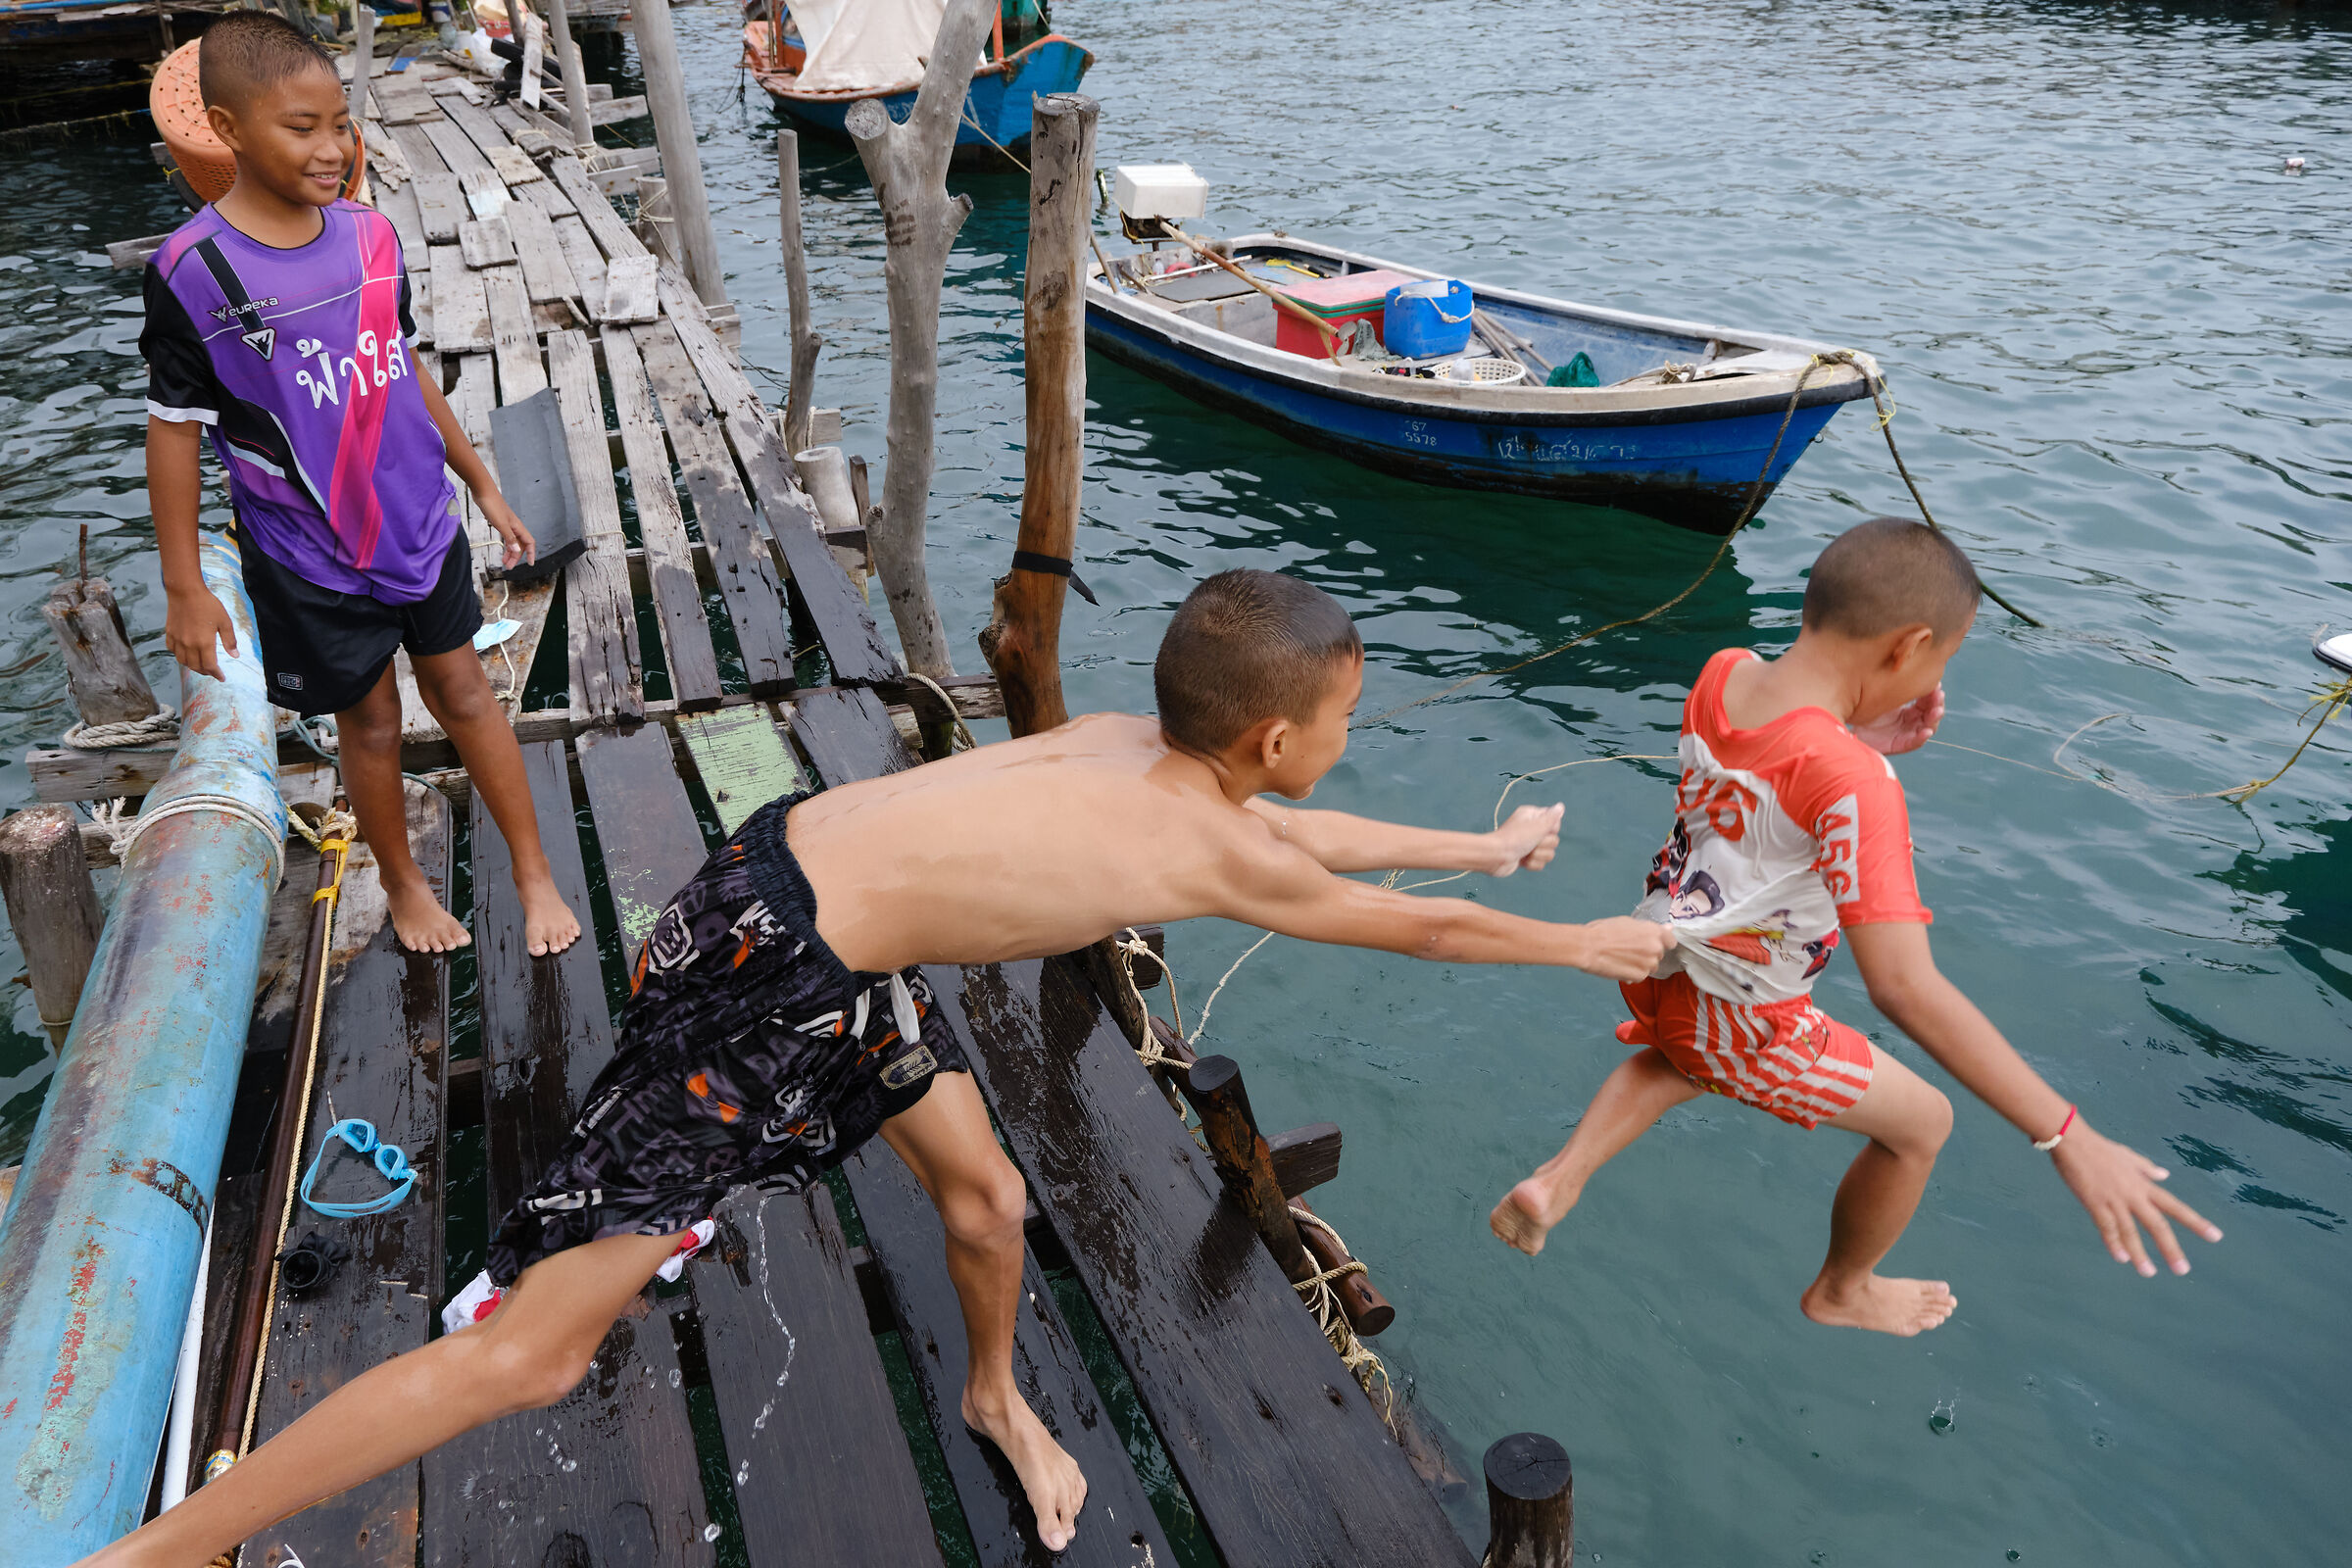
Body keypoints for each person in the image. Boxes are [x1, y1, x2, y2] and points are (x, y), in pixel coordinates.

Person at [80, 568, 1673, 1566]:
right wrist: (1591, 943)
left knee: (984, 1203)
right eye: (1338, 723)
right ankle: (157, 1557)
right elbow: (1414, 931)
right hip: (761, 985)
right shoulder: (1199, 825)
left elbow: (1315, 835)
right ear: (1266, 738)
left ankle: (992, 1391)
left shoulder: (1141, 737)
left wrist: (1481, 836)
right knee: (535, 1356)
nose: (1338, 751)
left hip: (808, 917)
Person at [1489, 517, 2223, 1335]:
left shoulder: (1723, 674)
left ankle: (1557, 1181)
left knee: (1684, 1060)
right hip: (1744, 1017)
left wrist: (1861, 734)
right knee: (1922, 1126)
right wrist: (2067, 1136)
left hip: (1663, 968)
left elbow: (1771, 781)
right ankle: (1844, 1287)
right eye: (1947, 657)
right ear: (1908, 647)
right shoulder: (1856, 786)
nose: (1937, 677)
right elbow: (1904, 985)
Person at [141, 12, 577, 957]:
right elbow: (175, 430)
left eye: (341, 123)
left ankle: (534, 872)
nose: (333, 147)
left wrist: (484, 484)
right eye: (301, 128)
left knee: (466, 689)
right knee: (371, 721)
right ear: (224, 127)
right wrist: (183, 583)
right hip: (307, 552)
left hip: (418, 519)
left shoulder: (373, 236)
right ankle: (407, 887)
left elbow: (402, 367)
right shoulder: (191, 271)